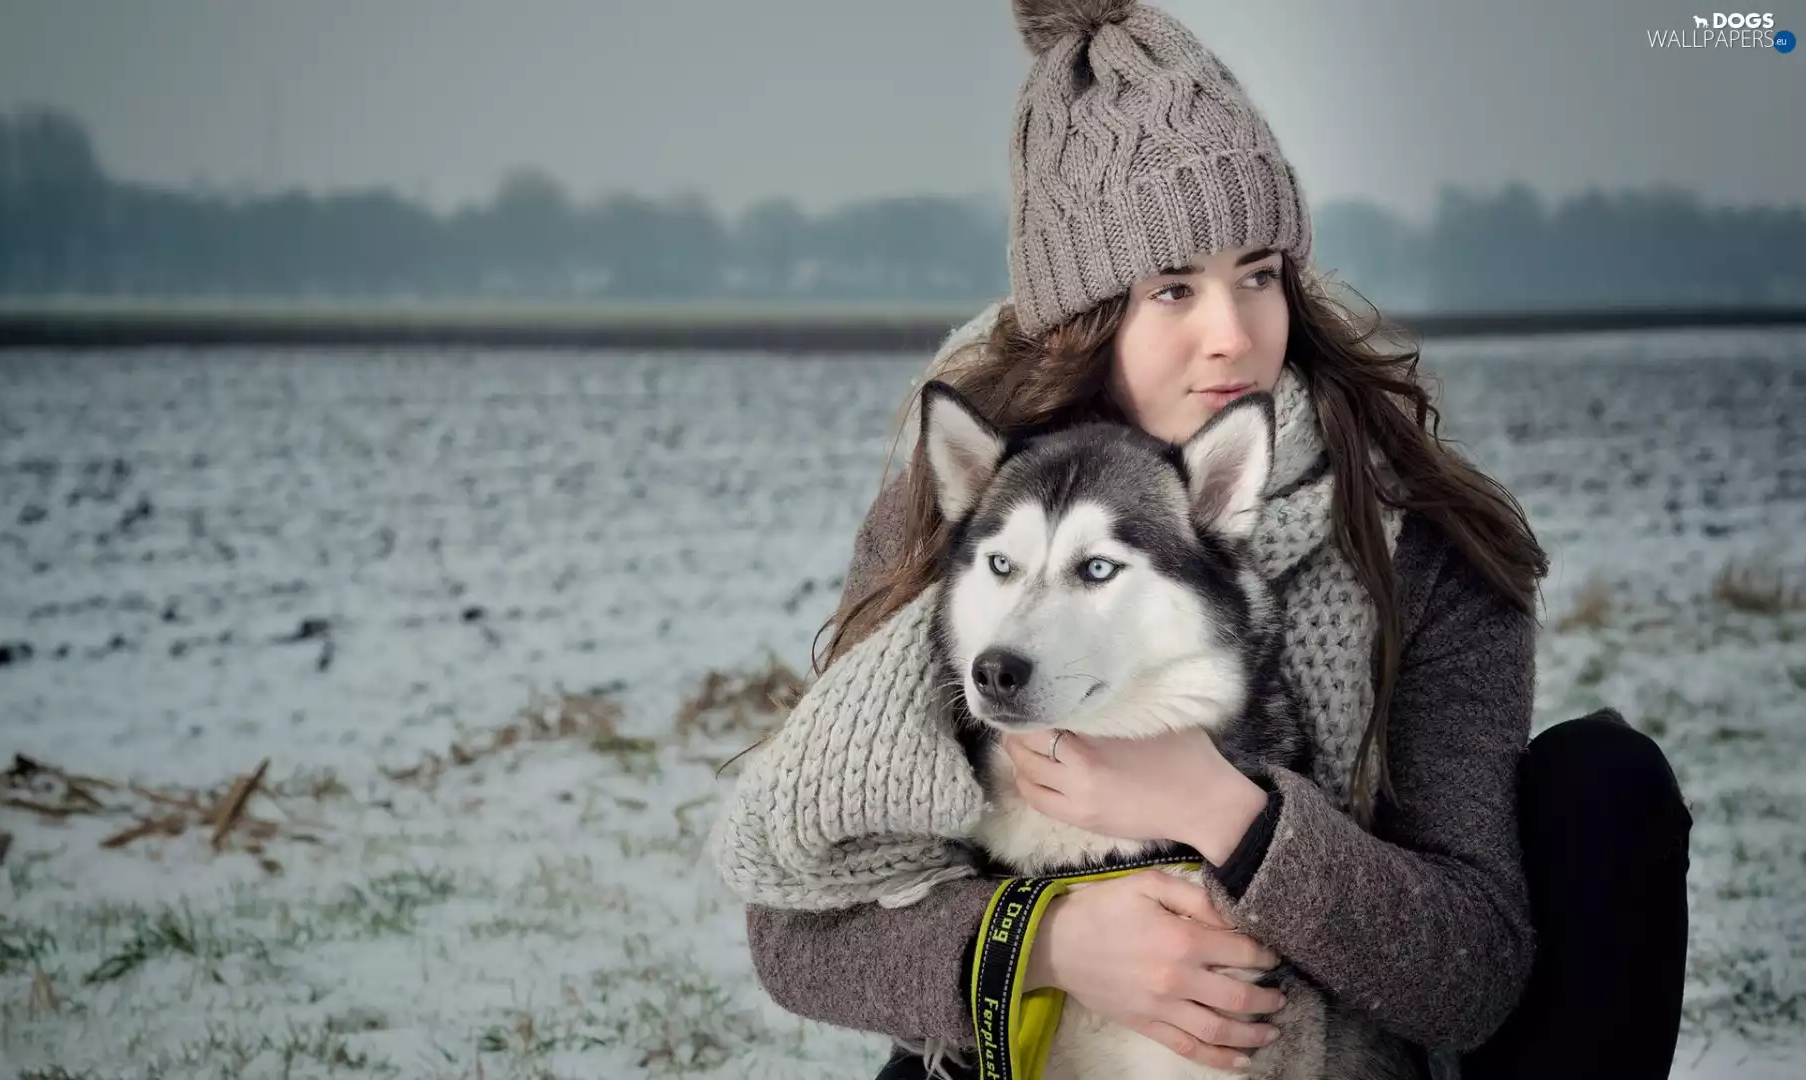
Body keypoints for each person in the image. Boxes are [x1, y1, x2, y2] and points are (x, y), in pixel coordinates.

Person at [726, 2, 1693, 1077]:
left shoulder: (1417, 537)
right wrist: (1050, 942)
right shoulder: (975, 506)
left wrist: (1217, 806)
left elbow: (1470, 972)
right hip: (1032, 1035)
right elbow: (796, 931)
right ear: (1086, 317)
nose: (1232, 334)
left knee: (1605, 785)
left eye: (1260, 274)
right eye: (1173, 288)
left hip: (1322, 1045)